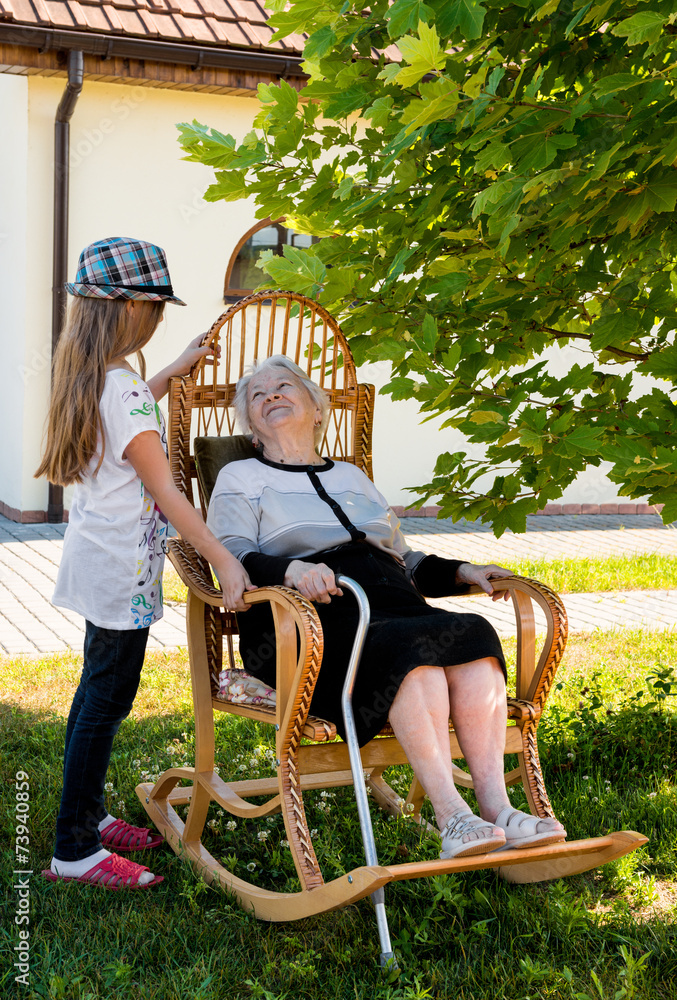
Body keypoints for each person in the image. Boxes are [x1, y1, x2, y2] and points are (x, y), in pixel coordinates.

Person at [207, 355, 566, 860]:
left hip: (395, 604)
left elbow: (404, 557)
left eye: (284, 386)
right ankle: (452, 818)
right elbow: (232, 555)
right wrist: (291, 571)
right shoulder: (240, 477)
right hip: (308, 625)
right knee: (410, 653)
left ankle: (496, 809)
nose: (271, 396)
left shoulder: (352, 476)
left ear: (316, 406)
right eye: (258, 395)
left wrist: (464, 572)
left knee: (474, 634)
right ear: (251, 426)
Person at [35, 237, 253, 890]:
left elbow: (131, 415)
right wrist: (223, 561)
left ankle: (91, 816)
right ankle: (74, 850)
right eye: (155, 308)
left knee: (94, 696)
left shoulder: (97, 378)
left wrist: (173, 371)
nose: (158, 319)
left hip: (97, 563)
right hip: (121, 574)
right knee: (105, 703)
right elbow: (166, 491)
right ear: (129, 311)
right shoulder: (122, 387)